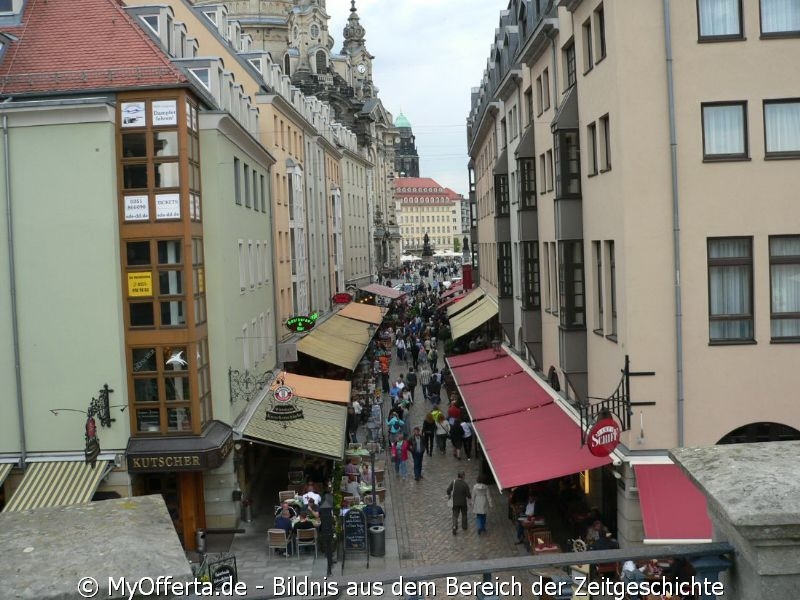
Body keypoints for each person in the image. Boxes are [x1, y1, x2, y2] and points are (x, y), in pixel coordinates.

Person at [446, 471, 472, 535]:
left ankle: (454, 526)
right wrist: (469, 499)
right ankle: (464, 526)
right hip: (463, 503)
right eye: (464, 476)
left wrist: (449, 494)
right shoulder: (465, 484)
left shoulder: (454, 482)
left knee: (455, 515)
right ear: (463, 476)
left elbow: (448, 490)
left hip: (455, 502)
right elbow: (468, 495)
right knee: (464, 514)